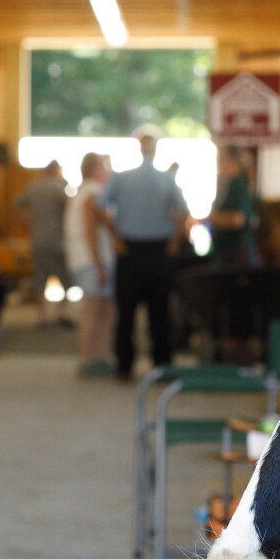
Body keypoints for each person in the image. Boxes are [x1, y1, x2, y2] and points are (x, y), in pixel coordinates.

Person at [100, 127, 189, 379]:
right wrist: (174, 240)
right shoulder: (166, 179)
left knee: (128, 311)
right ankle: (161, 365)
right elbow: (183, 211)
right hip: (155, 251)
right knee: (158, 311)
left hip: (131, 250)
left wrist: (116, 237)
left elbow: (100, 207)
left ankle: (124, 366)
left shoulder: (121, 178)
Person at [65, 151, 117, 376]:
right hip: (92, 260)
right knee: (93, 309)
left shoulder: (85, 192)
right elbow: (90, 232)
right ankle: (88, 358)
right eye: (105, 166)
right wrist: (98, 264)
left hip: (91, 259)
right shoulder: (92, 194)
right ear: (96, 170)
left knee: (104, 309)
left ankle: (100, 357)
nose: (109, 171)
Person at [16, 160, 71, 326]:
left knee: (40, 278)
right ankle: (60, 313)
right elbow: (70, 207)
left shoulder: (33, 188)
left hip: (38, 240)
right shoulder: (59, 189)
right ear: (56, 171)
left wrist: (25, 223)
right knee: (65, 277)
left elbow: (17, 204)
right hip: (58, 241)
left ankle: (42, 316)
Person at [207, 146, 260, 267]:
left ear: (230, 161)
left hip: (237, 254)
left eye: (220, 160)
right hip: (230, 252)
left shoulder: (238, 184)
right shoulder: (229, 184)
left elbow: (237, 219)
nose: (218, 165)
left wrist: (208, 218)